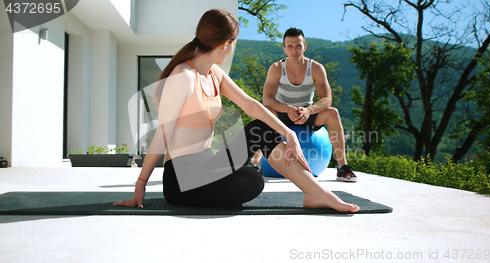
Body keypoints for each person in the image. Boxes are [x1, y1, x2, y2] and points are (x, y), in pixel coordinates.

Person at [113, 10, 359, 212]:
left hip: (207, 164)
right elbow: (162, 133)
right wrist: (140, 186)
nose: (233, 48)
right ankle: (212, 191)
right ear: (224, 44)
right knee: (251, 180)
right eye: (234, 43)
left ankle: (315, 192)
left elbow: (251, 105)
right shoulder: (183, 77)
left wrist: (288, 133)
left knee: (262, 129)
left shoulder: (214, 73)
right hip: (182, 178)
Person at [255, 27, 357, 182]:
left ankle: (342, 167)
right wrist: (288, 109)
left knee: (333, 113)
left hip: (307, 114)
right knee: (264, 111)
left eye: (298, 46)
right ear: (284, 49)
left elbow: (327, 98)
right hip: (283, 113)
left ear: (305, 47)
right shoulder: (276, 69)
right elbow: (267, 99)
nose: (294, 50)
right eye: (290, 46)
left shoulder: (316, 68)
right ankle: (256, 165)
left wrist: (309, 110)